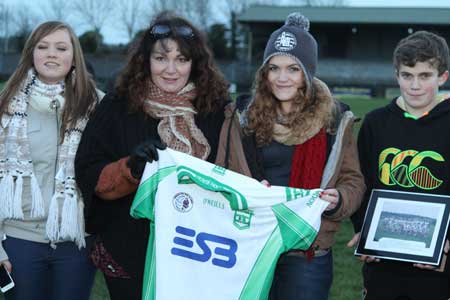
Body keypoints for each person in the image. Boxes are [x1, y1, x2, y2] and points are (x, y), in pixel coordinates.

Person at [75, 11, 250, 300]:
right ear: (146, 61)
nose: (171, 69)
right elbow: (88, 171)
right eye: (161, 58)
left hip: (196, 248)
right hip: (129, 246)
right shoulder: (118, 106)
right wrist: (130, 169)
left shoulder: (215, 110)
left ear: (195, 64)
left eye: (182, 59)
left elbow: (236, 173)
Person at [241, 12, 365, 300]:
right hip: (253, 241)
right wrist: (249, 189)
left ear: (307, 73)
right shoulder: (243, 117)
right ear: (264, 72)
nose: (281, 78)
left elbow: (353, 180)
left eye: (292, 69)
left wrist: (339, 199)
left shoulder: (334, 118)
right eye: (273, 68)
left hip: (307, 249)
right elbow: (225, 170)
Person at [0, 21, 102, 300]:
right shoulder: (6, 106)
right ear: (31, 53)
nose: (51, 54)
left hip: (77, 241)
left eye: (61, 47)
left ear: (74, 56)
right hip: (20, 241)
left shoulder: (99, 106)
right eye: (42, 47)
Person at [348, 30, 450, 300]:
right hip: (383, 262)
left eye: (425, 76)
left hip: (438, 263)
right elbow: (362, 183)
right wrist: (363, 230)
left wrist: (446, 241)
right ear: (397, 75)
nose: (415, 85)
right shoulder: (375, 122)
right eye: (407, 75)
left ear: (443, 77)